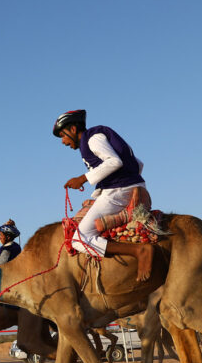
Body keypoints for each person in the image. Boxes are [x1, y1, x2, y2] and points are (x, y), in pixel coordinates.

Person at [54, 109, 153, 282]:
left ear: (73, 129)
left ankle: (139, 251)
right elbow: (138, 164)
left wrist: (83, 178)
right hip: (127, 186)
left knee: (79, 239)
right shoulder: (97, 138)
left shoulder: (93, 139)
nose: (63, 141)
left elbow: (114, 162)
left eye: (63, 135)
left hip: (119, 190)